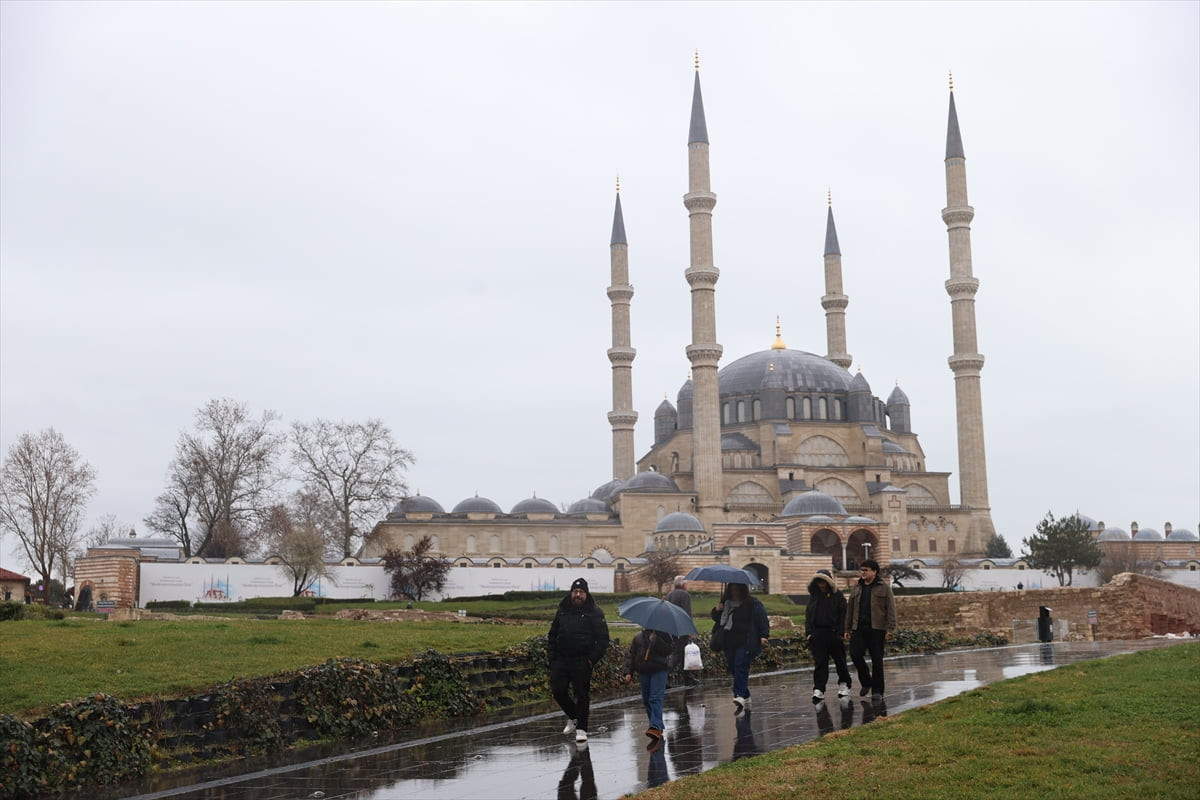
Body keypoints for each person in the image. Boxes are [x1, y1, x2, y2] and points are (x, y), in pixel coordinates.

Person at [548, 577, 609, 744]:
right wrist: (552, 657)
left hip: (582, 660)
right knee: (558, 690)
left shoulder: (595, 612)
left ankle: (582, 729)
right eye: (575, 592)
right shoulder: (562, 610)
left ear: (586, 594)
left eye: (581, 592)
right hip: (561, 659)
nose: (577, 595)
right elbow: (552, 634)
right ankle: (574, 716)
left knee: (582, 694)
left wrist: (591, 660)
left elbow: (603, 640)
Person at [709, 582, 769, 713]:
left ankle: (739, 695)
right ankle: (745, 695)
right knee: (733, 668)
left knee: (740, 665)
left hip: (745, 641)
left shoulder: (752, 603)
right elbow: (718, 620)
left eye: (736, 590)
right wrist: (717, 610)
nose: (734, 593)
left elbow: (762, 618)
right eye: (732, 590)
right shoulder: (726, 603)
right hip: (728, 641)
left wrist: (764, 635)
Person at [844, 559, 897, 700]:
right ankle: (866, 682)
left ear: (874, 572)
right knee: (855, 655)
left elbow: (891, 609)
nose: (863, 572)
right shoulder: (857, 588)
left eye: (866, 570)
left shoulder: (884, 588)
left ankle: (877, 690)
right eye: (862, 570)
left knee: (877, 660)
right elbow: (850, 609)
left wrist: (890, 628)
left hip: (876, 629)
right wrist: (847, 628)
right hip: (858, 628)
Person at [623, 627, 674, 752]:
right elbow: (632, 654)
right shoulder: (638, 637)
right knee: (646, 700)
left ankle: (655, 726)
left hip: (659, 670)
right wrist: (628, 671)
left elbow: (668, 650)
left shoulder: (664, 634)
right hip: (644, 671)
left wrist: (656, 642)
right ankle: (657, 726)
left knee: (655, 698)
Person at [806, 569, 853, 701]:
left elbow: (843, 614)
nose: (822, 585)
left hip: (833, 633)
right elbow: (808, 615)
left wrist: (840, 632)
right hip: (818, 634)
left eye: (824, 582)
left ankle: (844, 684)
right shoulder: (814, 597)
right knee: (820, 662)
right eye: (819, 582)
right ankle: (819, 688)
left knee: (840, 661)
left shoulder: (837, 596)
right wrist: (809, 633)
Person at [664, 575, 696, 684]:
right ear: (683, 585)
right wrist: (690, 629)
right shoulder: (684, 595)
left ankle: (688, 677)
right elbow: (687, 613)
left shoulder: (670, 594)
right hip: (681, 628)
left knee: (683, 653)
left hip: (671, 627)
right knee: (679, 653)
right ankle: (664, 676)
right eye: (686, 584)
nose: (687, 586)